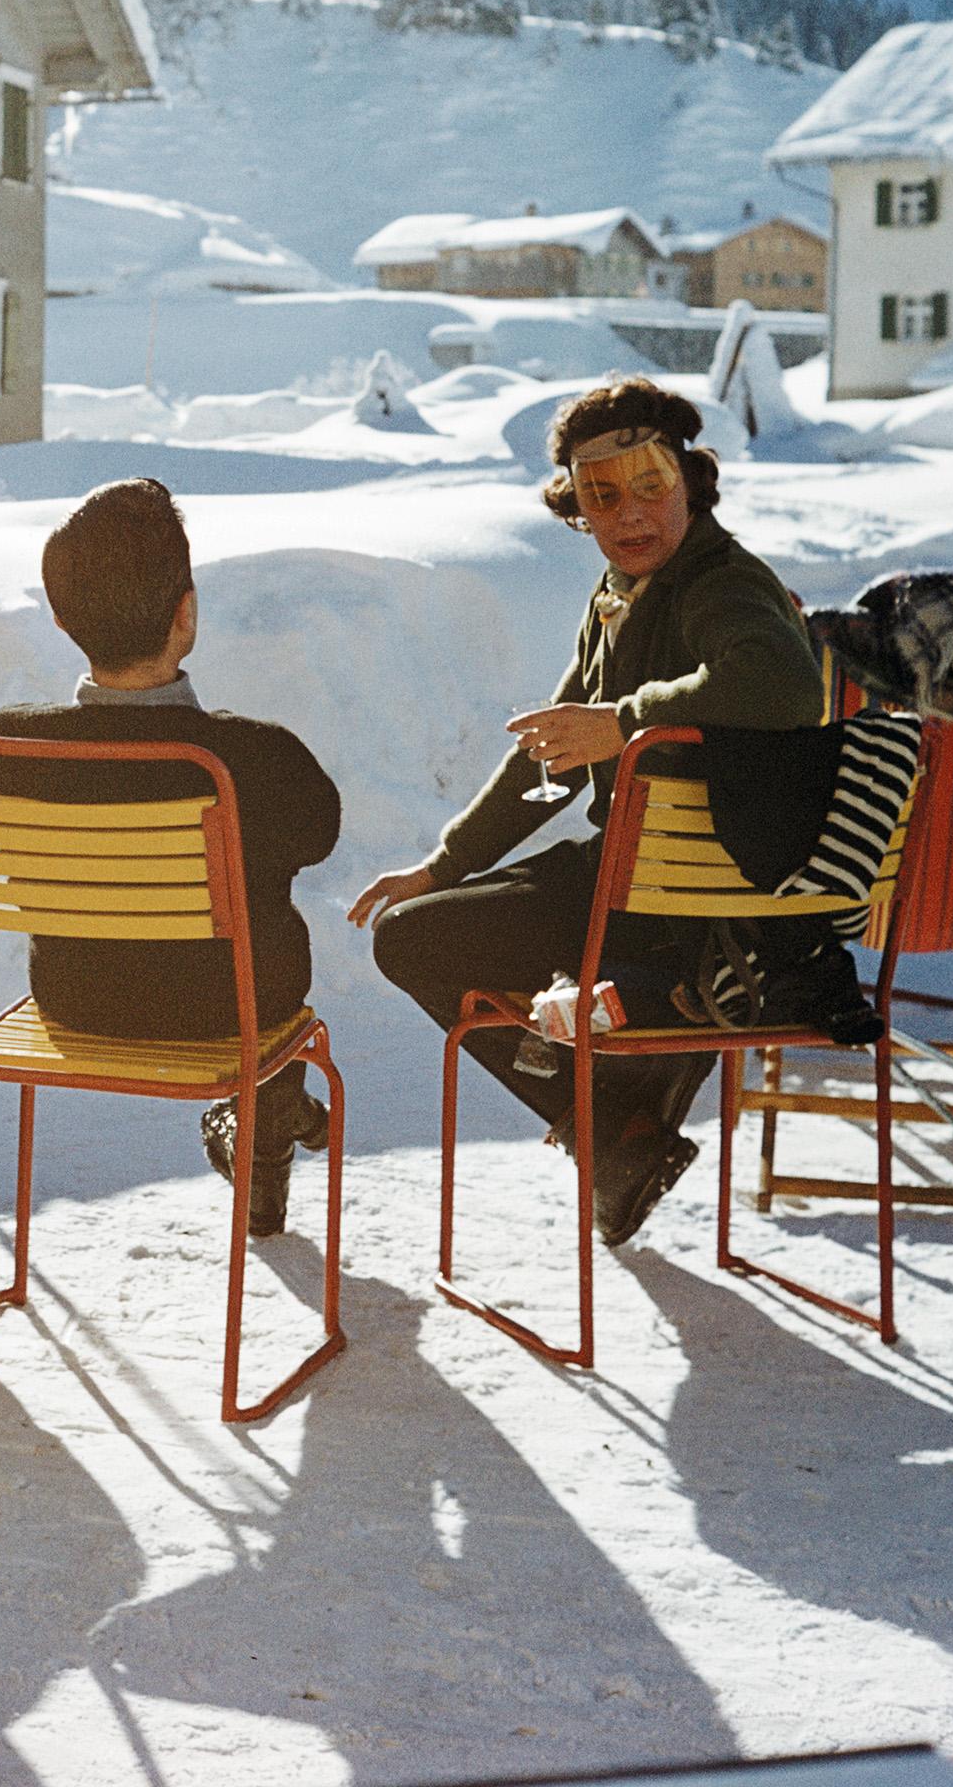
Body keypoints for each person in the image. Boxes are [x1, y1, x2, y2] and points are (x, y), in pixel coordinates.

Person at [347, 375, 823, 1246]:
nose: (631, 514)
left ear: (689, 482)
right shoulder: (617, 597)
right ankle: (622, 1116)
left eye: (651, 485)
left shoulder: (719, 582)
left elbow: (786, 683)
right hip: (636, 881)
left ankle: (616, 1114)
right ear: (578, 506)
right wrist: (443, 865)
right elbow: (556, 756)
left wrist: (625, 721)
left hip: (691, 898)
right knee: (420, 923)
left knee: (416, 941)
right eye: (603, 496)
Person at [0, 479, 341, 1237]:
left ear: (61, 619)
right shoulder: (256, 755)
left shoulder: (9, 745)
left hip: (76, 998)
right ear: (187, 613)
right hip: (230, 1010)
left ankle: (268, 1116)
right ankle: (269, 1119)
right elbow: (316, 837)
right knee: (267, 937)